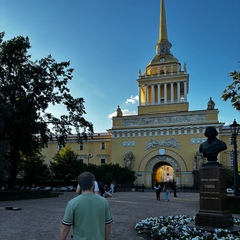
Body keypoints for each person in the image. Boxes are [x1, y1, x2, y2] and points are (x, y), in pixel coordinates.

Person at [60, 172, 113, 240]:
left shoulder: (72, 203)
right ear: (93, 184)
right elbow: (108, 224)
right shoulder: (104, 202)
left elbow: (65, 228)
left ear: (79, 185)